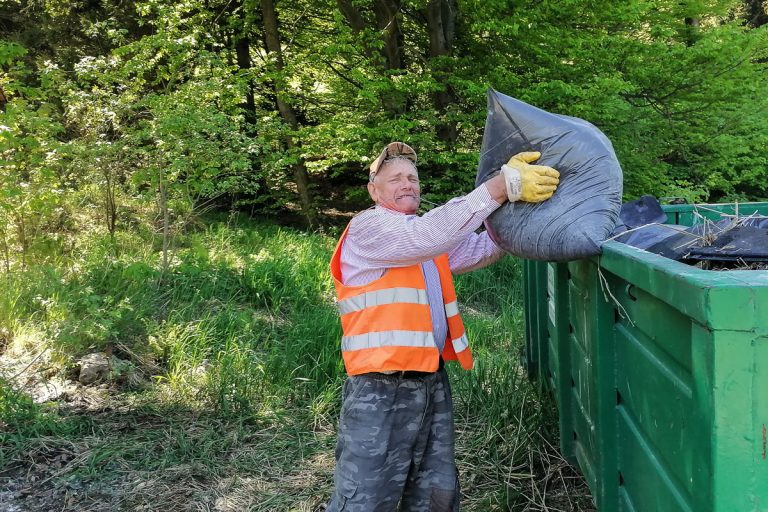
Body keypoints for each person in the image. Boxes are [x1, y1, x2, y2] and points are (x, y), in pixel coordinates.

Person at [326, 141, 559, 511]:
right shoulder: (368, 228)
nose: (407, 184)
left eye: (412, 178)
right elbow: (430, 234)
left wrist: (519, 209)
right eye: (395, 179)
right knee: (367, 496)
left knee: (433, 491)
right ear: (373, 190)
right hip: (380, 388)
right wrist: (501, 185)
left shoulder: (425, 239)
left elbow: (485, 248)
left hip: (431, 381)